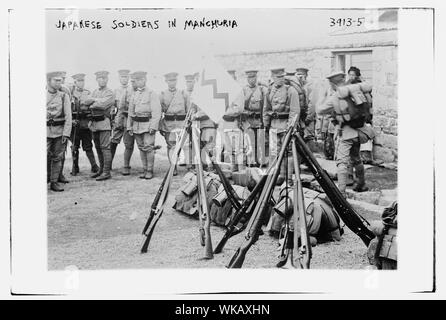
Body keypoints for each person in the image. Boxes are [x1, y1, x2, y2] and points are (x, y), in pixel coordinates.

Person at [316, 71, 373, 194]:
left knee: (341, 162)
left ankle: (341, 192)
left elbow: (319, 110)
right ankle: (361, 184)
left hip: (346, 132)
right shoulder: (356, 91)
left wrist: (322, 96)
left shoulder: (336, 96)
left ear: (332, 83)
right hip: (360, 131)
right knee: (356, 158)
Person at [263, 67, 300, 185]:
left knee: (288, 153)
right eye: (278, 77)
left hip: (285, 127)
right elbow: (266, 109)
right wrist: (266, 125)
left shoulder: (291, 90)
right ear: (273, 78)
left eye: (282, 77)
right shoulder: (269, 91)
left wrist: (291, 127)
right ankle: (274, 178)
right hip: (274, 126)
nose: (280, 79)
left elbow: (295, 111)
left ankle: (288, 179)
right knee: (274, 153)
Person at [127, 71, 162, 179]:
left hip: (148, 125)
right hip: (137, 125)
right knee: (141, 148)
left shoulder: (151, 93)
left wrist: (153, 126)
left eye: (140, 79)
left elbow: (157, 112)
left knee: (149, 147)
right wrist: (129, 126)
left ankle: (149, 170)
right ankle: (144, 168)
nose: (138, 82)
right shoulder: (134, 94)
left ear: (145, 80)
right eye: (136, 80)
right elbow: (130, 112)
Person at [83, 71, 115, 181]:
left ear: (107, 79)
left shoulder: (110, 92)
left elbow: (103, 105)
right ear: (97, 80)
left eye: (104, 78)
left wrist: (93, 101)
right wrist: (94, 101)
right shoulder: (95, 91)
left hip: (104, 122)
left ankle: (106, 172)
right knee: (97, 147)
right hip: (94, 124)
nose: (102, 80)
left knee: (105, 148)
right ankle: (101, 170)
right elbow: (85, 102)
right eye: (100, 78)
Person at [159, 72, 190, 176]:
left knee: (185, 145)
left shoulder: (183, 93)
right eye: (169, 80)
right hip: (169, 123)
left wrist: (188, 123)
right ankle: (173, 167)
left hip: (181, 123)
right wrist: (160, 126)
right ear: (166, 81)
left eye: (174, 80)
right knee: (171, 145)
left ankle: (189, 167)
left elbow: (188, 109)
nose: (172, 82)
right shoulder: (162, 94)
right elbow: (160, 111)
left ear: (176, 81)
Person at [46, 71, 72, 192]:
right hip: (45, 131)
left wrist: (66, 133)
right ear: (49, 81)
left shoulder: (63, 96)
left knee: (57, 157)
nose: (59, 82)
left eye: (60, 80)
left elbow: (68, 116)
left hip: (59, 131)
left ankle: (54, 182)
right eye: (56, 80)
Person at [70, 73, 99, 175]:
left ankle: (94, 166)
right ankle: (75, 166)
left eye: (82, 81)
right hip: (75, 124)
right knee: (74, 146)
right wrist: (71, 121)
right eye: (79, 81)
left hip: (85, 124)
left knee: (88, 146)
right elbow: (67, 110)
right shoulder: (70, 94)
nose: (81, 83)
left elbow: (92, 108)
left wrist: (90, 119)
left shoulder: (88, 93)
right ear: (75, 82)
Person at [187, 73, 217, 171]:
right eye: (196, 79)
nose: (198, 81)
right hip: (198, 125)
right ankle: (202, 168)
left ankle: (211, 167)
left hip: (208, 123)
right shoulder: (197, 93)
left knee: (209, 147)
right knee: (198, 146)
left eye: (200, 79)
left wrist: (196, 115)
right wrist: (192, 114)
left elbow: (209, 109)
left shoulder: (211, 91)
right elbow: (193, 108)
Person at [346, 66, 375, 164]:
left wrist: (367, 115)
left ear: (357, 76)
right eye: (349, 74)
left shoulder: (361, 86)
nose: (351, 77)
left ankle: (365, 157)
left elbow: (367, 101)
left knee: (362, 137)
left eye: (353, 75)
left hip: (361, 116)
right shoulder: (346, 85)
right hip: (351, 118)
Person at [110, 69, 136, 175]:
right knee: (113, 142)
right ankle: (108, 164)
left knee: (128, 144)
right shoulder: (115, 90)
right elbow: (113, 106)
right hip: (118, 119)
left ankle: (126, 166)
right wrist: (112, 118)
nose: (124, 79)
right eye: (122, 77)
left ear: (128, 78)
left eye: (126, 77)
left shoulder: (133, 90)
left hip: (129, 119)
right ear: (119, 78)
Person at [241, 69, 267, 167]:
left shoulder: (261, 89)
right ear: (247, 78)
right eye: (249, 77)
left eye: (253, 77)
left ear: (256, 78)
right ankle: (250, 163)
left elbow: (266, 104)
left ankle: (260, 162)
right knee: (250, 143)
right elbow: (240, 107)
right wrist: (247, 113)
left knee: (260, 142)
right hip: (248, 120)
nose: (251, 79)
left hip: (259, 120)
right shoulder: (243, 90)